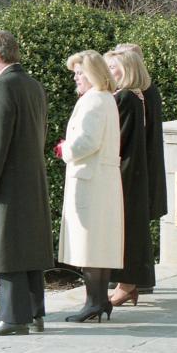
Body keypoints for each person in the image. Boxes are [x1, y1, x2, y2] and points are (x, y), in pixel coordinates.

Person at [0, 30, 54, 336]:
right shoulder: (34, 86)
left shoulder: (2, 87)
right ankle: (34, 314)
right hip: (32, 178)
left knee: (7, 248)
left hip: (8, 182)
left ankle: (11, 317)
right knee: (30, 249)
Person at [57, 50, 123, 322]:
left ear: (93, 73)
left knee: (90, 245)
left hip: (91, 181)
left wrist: (64, 149)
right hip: (100, 180)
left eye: (80, 72)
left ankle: (94, 302)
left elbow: (88, 141)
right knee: (98, 244)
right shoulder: (104, 98)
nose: (76, 77)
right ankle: (98, 301)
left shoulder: (94, 100)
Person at [114, 43, 166, 295]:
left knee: (133, 228)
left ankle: (134, 279)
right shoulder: (145, 92)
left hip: (134, 167)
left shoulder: (131, 96)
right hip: (143, 165)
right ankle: (139, 280)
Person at [104, 49, 153, 306]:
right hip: (133, 171)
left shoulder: (125, 97)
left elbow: (118, 140)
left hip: (125, 173)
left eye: (114, 67)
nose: (109, 71)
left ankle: (127, 284)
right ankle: (127, 285)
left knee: (127, 231)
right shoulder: (134, 96)